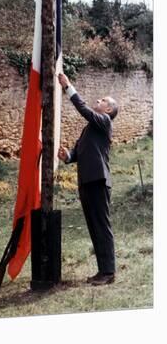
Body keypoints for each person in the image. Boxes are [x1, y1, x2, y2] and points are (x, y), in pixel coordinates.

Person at [57, 73, 118, 286]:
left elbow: (84, 109)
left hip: (99, 181)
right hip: (86, 181)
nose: (98, 101)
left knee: (101, 226)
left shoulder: (104, 121)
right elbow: (79, 150)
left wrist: (68, 87)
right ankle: (102, 272)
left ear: (108, 110)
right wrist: (69, 156)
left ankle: (109, 272)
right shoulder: (91, 128)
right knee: (93, 226)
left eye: (103, 101)